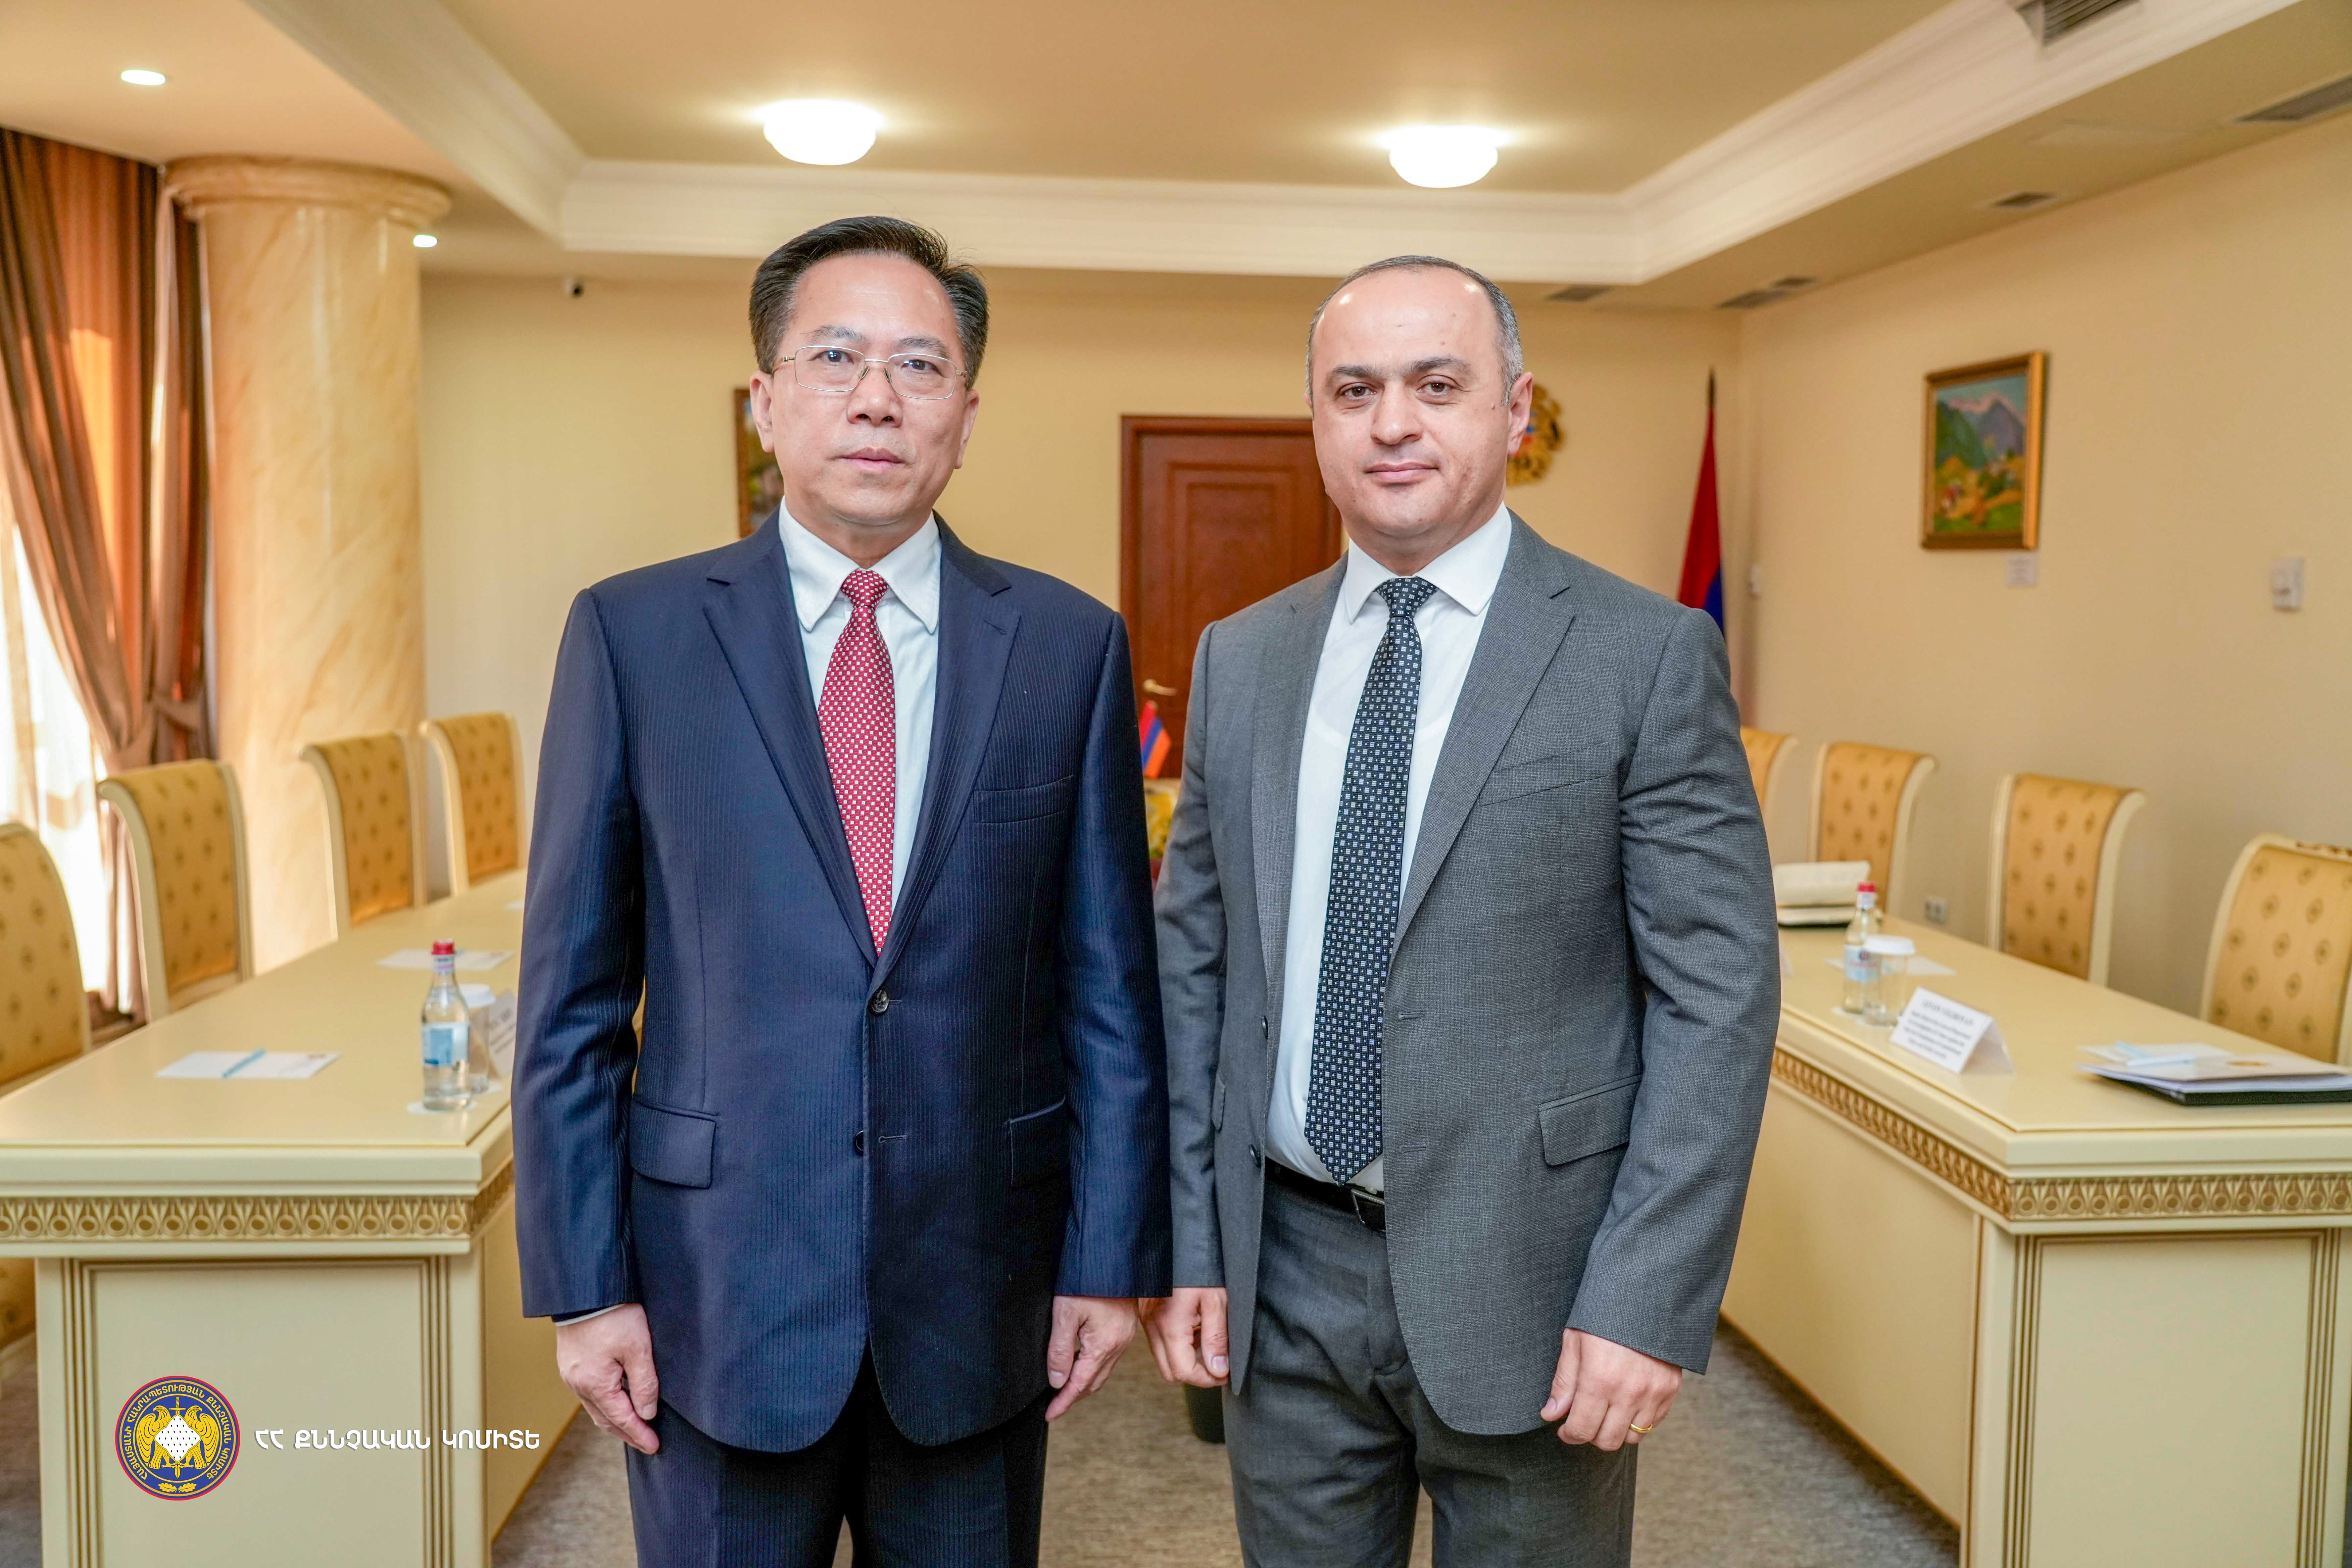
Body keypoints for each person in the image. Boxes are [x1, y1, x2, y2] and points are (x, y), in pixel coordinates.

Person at [515, 215, 1170, 1568]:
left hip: (980, 1293)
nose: (878, 397)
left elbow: (1111, 991)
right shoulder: (634, 636)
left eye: (920, 365)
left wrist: (1108, 1258)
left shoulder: (1069, 647)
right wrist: (585, 1289)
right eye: (835, 357)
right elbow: (572, 1002)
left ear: (965, 418)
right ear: (766, 401)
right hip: (712, 1295)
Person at [1147, 255, 1778, 1565]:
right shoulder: (1243, 656)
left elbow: (1715, 999)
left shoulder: (1644, 654)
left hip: (1537, 1281)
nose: (1393, 423)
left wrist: (1646, 1296)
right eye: (1355, 390)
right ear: (1316, 420)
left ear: (1515, 409)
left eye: (1438, 386)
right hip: (1285, 1272)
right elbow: (1194, 966)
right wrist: (1189, 1238)